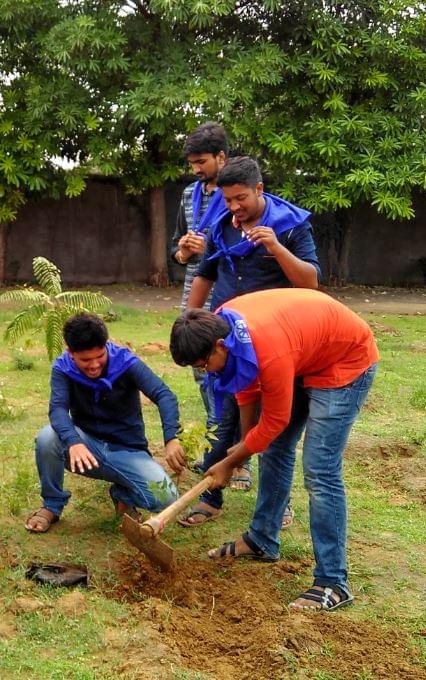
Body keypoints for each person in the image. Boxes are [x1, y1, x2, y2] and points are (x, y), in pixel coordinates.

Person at [170, 288, 378, 611]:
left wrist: (234, 460)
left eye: (203, 363)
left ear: (219, 346)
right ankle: (262, 539)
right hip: (304, 353)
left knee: (320, 467)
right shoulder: (222, 323)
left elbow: (275, 421)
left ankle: (333, 582)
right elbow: (245, 384)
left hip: (345, 359)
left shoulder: (269, 349)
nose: (205, 371)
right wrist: (244, 442)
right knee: (275, 450)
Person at [178, 156, 320, 528]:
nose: (234, 207)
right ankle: (210, 498)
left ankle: (278, 504)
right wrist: (187, 323)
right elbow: (205, 276)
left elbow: (310, 284)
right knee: (224, 424)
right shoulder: (223, 227)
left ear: (259, 189)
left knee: (275, 433)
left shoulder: (289, 227)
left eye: (240, 198)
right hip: (227, 342)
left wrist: (275, 247)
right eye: (227, 200)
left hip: (275, 344)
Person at [24, 312, 186, 533]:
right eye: (85, 360)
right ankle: (52, 505)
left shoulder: (126, 363)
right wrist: (74, 441)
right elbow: (58, 409)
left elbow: (163, 394)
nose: (93, 366)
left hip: (128, 451)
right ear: (71, 353)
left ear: (106, 345)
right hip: (86, 449)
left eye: (99, 356)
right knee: (47, 437)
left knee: (166, 497)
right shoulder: (63, 368)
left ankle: (122, 493)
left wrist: (171, 438)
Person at [167, 122, 254, 491]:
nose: (196, 169)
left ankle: (243, 459)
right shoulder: (189, 195)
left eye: (201, 161)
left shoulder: (239, 195)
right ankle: (219, 452)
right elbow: (175, 253)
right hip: (197, 301)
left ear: (222, 156)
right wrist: (184, 251)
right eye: (192, 163)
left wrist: (211, 253)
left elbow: (249, 247)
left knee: (242, 379)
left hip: (237, 300)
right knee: (206, 376)